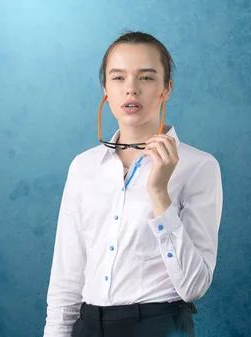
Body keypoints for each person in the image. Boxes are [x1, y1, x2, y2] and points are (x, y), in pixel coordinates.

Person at [43, 31, 223, 337]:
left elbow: (194, 286)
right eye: (118, 78)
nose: (131, 89)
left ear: (166, 89)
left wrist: (159, 194)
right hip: (87, 326)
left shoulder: (199, 167)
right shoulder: (83, 167)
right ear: (105, 88)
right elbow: (67, 276)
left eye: (147, 78)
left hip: (160, 326)